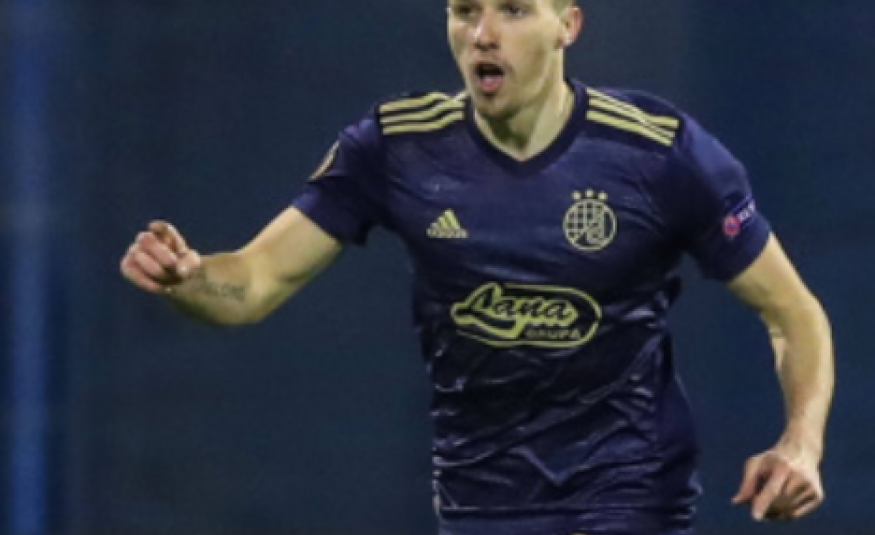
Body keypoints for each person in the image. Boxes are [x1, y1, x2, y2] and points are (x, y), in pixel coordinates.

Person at [120, 0, 834, 534]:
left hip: (627, 488)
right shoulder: (394, 148)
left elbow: (793, 312)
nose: (483, 34)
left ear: (567, 25)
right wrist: (190, 278)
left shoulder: (659, 153)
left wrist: (801, 444)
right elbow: (252, 284)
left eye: (513, 10)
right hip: (479, 498)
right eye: (464, 11)